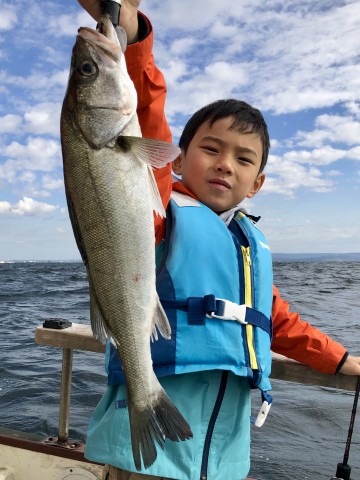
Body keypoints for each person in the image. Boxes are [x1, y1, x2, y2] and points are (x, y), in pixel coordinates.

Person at [77, 2, 360, 479]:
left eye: (243, 159)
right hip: (147, 456)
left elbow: (275, 320)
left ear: (258, 183)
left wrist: (343, 360)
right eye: (211, 149)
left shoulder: (246, 245)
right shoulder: (159, 211)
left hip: (222, 458)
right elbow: (139, 127)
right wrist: (133, 38)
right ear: (178, 159)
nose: (226, 164)